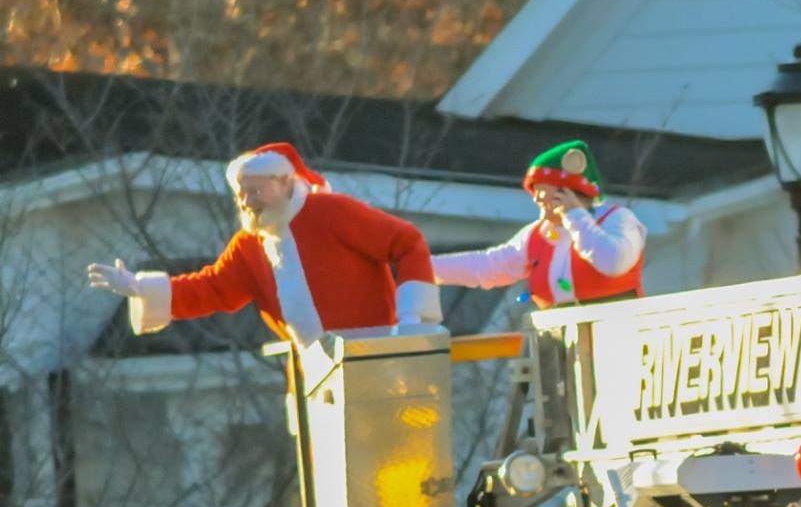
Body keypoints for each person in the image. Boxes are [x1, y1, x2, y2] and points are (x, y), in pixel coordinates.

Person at [85, 142, 439, 351]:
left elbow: (406, 243)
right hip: (314, 376)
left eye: (255, 192)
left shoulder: (332, 212)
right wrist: (141, 289)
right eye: (241, 195)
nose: (247, 202)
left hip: (377, 355)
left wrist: (411, 321)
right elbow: (212, 289)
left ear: (285, 184)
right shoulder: (248, 246)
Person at [431, 140, 646, 308]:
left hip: (618, 338)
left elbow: (614, 262)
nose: (536, 198)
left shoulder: (617, 219)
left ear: (568, 190)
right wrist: (423, 266)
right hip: (558, 350)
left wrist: (575, 215)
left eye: (542, 189)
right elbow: (487, 267)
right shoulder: (537, 234)